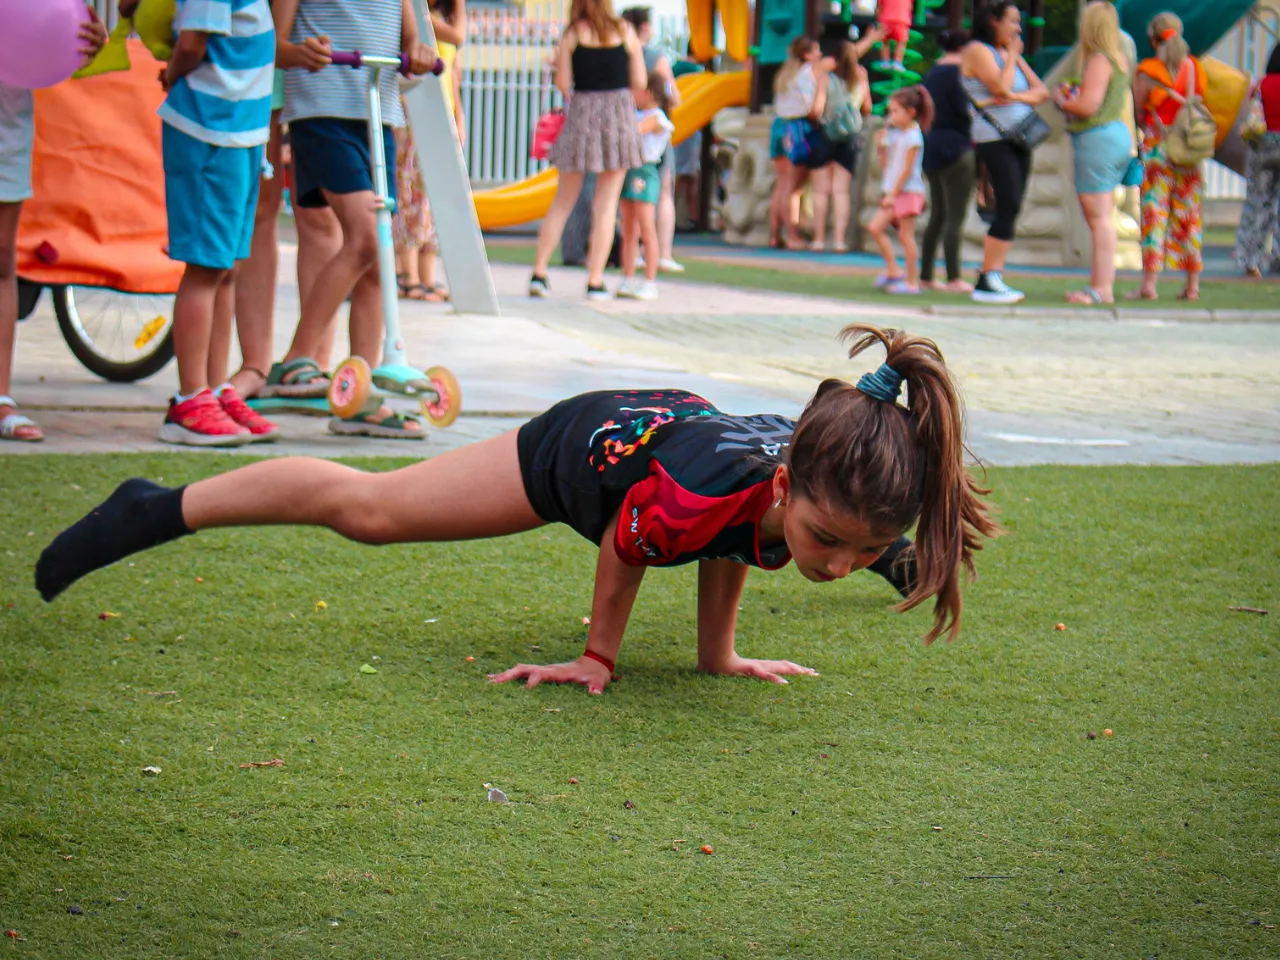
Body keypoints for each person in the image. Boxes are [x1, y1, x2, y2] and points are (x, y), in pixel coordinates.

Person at [37, 324, 1000, 696]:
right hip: (578, 455)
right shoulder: (701, 495)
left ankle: (873, 549)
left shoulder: (792, 487)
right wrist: (596, 657)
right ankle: (160, 506)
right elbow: (633, 548)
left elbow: (742, 539)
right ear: (791, 487)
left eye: (861, 552)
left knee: (758, 527)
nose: (829, 565)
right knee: (368, 513)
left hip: (692, 442)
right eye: (831, 542)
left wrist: (719, 655)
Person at [257, 0, 439, 439]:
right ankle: (297, 358)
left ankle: (360, 397)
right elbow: (272, 45)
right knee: (363, 239)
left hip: (378, 116)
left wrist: (419, 54)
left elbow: (412, 41)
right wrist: (301, 53)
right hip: (322, 114)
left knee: (378, 258)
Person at [152, 0, 277, 446]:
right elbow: (191, 43)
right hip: (209, 132)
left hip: (240, 131)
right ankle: (190, 399)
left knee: (226, 269)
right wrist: (170, 73)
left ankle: (212, 388)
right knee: (206, 269)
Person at [0, 9, 107, 443]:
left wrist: (83, 41)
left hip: (9, 125)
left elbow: (45, 26)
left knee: (2, 261)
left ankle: (1, 397)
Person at [229, 46, 342, 409]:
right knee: (261, 205)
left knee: (322, 213)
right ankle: (256, 365)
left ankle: (312, 362)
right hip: (264, 47)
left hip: (325, 51)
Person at [528, 0, 646, 301]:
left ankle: (539, 274)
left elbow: (564, 83)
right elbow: (640, 81)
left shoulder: (572, 34)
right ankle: (595, 280)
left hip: (583, 114)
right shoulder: (626, 31)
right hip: (619, 117)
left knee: (563, 200)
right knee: (606, 205)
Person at [961, 1, 1049, 304]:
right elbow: (1000, 87)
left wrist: (1014, 95)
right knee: (1007, 201)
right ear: (993, 22)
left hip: (1020, 136)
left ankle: (994, 273)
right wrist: (1012, 58)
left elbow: (1041, 92)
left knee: (1014, 205)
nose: (1018, 28)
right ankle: (988, 277)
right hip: (995, 137)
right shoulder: (979, 51)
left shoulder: (1009, 55)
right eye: (1012, 21)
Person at [1055, 1, 1133, 306]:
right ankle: (1100, 285)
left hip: (1097, 139)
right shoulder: (1120, 58)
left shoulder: (1100, 60)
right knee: (1102, 217)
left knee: (1099, 218)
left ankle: (1101, 287)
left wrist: (1063, 99)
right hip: (1114, 135)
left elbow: (1089, 106)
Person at [393, 0, 467, 302]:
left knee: (432, 197)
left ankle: (426, 274)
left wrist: (459, 118)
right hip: (413, 115)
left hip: (442, 115)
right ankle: (408, 275)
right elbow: (459, 35)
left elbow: (453, 74)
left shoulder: (437, 21)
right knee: (409, 192)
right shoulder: (419, 19)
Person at [1130, 12, 1205, 301]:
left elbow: (1138, 111)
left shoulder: (1147, 69)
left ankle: (1149, 284)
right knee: (1189, 214)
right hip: (1188, 146)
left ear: (1152, 38)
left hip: (1158, 146)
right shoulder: (1194, 66)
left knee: (1154, 212)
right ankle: (1192, 286)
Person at [621, 6, 683, 273]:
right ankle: (662, 254)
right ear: (645, 27)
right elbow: (673, 95)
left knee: (626, 216)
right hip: (650, 149)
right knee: (664, 192)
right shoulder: (656, 58)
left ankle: (633, 259)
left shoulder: (620, 55)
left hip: (626, 138)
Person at [920, 28, 974, 293]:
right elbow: (968, 111)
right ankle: (954, 276)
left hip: (931, 147)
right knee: (956, 216)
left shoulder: (931, 74)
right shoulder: (960, 75)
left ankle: (926, 274)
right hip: (957, 147)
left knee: (937, 214)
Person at [867, 86, 932, 295]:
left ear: (911, 112)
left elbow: (906, 170)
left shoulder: (914, 137)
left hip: (908, 192)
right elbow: (888, 165)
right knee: (875, 228)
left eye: (896, 111)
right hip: (894, 191)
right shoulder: (898, 135)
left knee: (906, 236)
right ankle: (894, 270)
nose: (891, 116)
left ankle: (912, 281)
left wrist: (893, 195)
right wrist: (881, 146)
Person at [808, 39, 870, 253]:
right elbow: (867, 107)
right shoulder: (861, 77)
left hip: (827, 134)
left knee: (820, 191)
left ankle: (818, 239)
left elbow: (817, 109)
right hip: (851, 137)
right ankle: (839, 240)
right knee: (841, 191)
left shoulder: (827, 79)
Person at [617, 72, 674, 301]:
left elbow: (634, 131)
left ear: (648, 92)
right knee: (628, 228)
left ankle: (650, 281)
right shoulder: (637, 113)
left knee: (646, 226)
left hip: (645, 171)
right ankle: (628, 278)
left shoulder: (657, 118)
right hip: (629, 169)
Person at [768, 36, 822, 250]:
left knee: (781, 184)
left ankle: (775, 234)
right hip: (798, 128)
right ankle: (793, 235)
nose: (820, 55)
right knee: (793, 187)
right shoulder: (807, 75)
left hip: (779, 126)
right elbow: (811, 107)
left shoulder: (784, 74)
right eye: (816, 51)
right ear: (807, 54)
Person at [1235, 43, 1280, 277]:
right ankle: (1277, 259)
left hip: (1262, 147)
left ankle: (1250, 260)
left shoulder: (1261, 84)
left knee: (1257, 203)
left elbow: (1249, 116)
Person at [876, 0, 914, 72]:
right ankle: (897, 62)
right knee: (901, 42)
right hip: (901, 20)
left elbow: (879, 6)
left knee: (884, 42)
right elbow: (910, 7)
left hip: (885, 19)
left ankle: (885, 61)